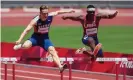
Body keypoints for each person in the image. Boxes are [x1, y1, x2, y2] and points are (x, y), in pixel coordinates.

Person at [13, 5, 75, 73]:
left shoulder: (50, 16)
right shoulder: (35, 20)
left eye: (47, 13)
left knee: (52, 50)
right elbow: (26, 30)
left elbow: (58, 12)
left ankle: (60, 67)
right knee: (26, 46)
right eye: (44, 13)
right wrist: (19, 39)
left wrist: (69, 11)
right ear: (40, 13)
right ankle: (20, 46)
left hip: (45, 38)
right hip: (35, 37)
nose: (46, 15)